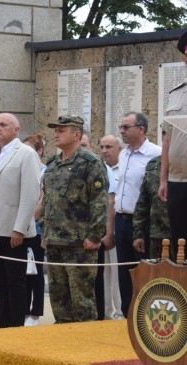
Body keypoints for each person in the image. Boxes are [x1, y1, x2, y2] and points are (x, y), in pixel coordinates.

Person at [0, 114, 41, 329]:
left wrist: (19, 228)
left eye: (3, 125)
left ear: (16, 130)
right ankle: (2, 325)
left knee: (15, 282)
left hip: (13, 231)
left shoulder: (26, 154)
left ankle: (15, 328)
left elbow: (30, 194)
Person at [40, 115, 108, 323]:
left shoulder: (90, 163)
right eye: (55, 130)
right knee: (59, 299)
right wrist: (45, 231)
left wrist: (95, 236)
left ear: (76, 134)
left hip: (79, 244)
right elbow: (47, 201)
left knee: (82, 301)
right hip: (54, 242)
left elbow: (99, 203)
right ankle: (63, 342)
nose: (56, 134)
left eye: (62, 130)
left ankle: (85, 349)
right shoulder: (52, 165)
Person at [115, 112, 161, 317]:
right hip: (121, 219)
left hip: (142, 222)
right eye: (121, 128)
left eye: (126, 127)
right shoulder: (123, 154)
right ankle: (127, 313)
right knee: (124, 271)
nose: (122, 132)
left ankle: (143, 315)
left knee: (143, 271)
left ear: (141, 129)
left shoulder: (156, 154)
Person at [159, 30, 187, 259]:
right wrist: (163, 179)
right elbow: (166, 139)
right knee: (179, 240)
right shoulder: (175, 93)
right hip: (177, 181)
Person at [21, 133, 47, 326]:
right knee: (23, 272)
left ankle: (35, 312)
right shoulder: (23, 169)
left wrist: (28, 219)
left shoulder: (45, 172)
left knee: (35, 271)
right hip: (21, 228)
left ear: (39, 151)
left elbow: (41, 200)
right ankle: (23, 309)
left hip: (36, 229)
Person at [97, 134, 123, 319]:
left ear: (119, 149)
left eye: (109, 147)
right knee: (103, 273)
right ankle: (105, 313)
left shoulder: (125, 167)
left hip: (117, 228)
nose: (104, 151)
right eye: (102, 147)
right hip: (100, 229)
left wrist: (110, 231)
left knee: (117, 272)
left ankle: (120, 312)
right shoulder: (99, 168)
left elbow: (113, 201)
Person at [134, 154, 174, 261]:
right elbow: (143, 202)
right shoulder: (153, 164)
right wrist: (139, 234)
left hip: (181, 235)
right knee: (159, 276)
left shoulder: (182, 163)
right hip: (158, 234)